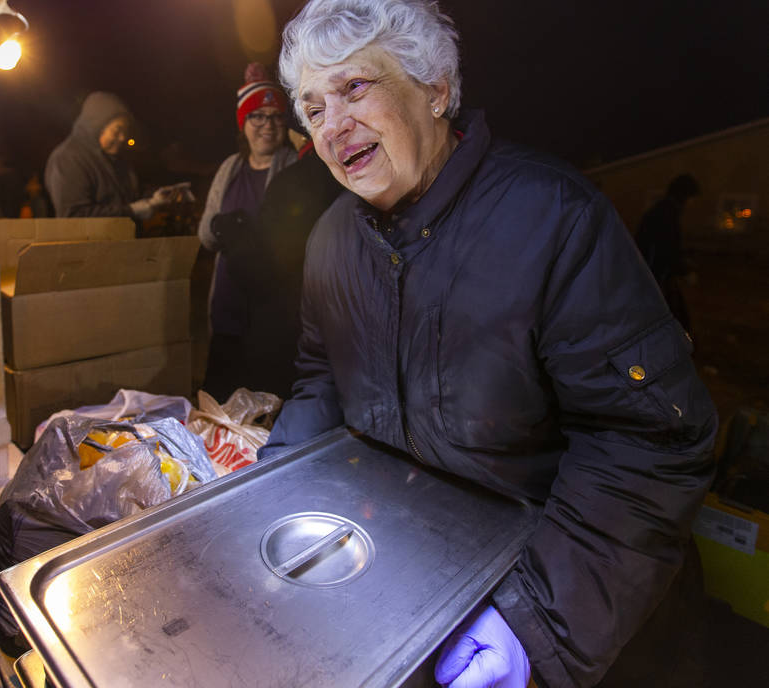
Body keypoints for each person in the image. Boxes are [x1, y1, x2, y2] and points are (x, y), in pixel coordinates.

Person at [264, 1, 717, 687]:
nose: (334, 126)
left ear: (436, 90)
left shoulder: (553, 217)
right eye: (314, 108)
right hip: (415, 585)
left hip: (568, 600)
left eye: (356, 87)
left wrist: (533, 623)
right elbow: (320, 382)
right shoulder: (330, 241)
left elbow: (650, 442)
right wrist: (262, 491)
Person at [197, 63, 298, 402]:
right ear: (243, 123)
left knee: (263, 407)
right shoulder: (230, 168)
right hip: (227, 310)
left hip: (268, 315)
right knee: (218, 404)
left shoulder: (293, 165)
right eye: (257, 116)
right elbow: (206, 233)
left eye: (276, 116)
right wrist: (221, 226)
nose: (267, 125)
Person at [226, 137, 342, 400]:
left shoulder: (293, 179)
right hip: (334, 327)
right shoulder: (354, 176)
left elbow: (267, 258)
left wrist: (237, 242)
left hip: (284, 320)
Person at [44, 91, 178, 231]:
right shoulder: (68, 158)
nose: (122, 138)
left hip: (123, 246)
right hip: (89, 250)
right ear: (95, 126)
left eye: (125, 131)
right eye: (117, 130)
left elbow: (129, 195)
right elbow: (73, 217)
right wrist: (131, 211)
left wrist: (154, 196)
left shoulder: (116, 159)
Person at [634, 173, 700, 337]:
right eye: (692, 197)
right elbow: (667, 248)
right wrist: (684, 271)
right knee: (671, 316)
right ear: (685, 195)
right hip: (656, 274)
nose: (692, 203)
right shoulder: (667, 214)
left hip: (650, 272)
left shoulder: (661, 210)